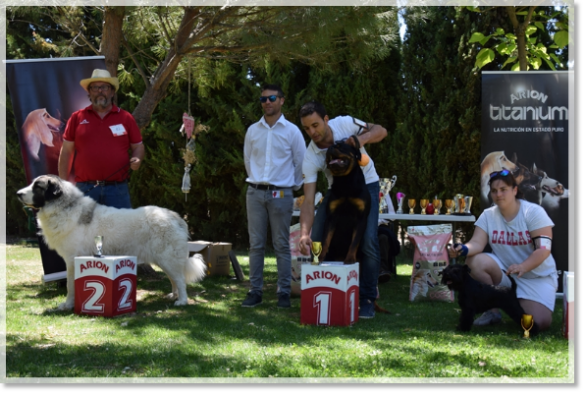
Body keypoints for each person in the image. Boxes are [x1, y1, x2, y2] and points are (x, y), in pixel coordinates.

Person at [297, 101, 388, 319]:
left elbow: (381, 130)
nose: (312, 132)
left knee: (368, 241)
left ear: (326, 120)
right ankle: (320, 288)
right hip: (336, 188)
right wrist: (303, 234)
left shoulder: (345, 124)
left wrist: (359, 140)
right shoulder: (310, 156)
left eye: (315, 125)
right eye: (307, 128)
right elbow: (308, 202)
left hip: (367, 184)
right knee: (317, 239)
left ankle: (367, 298)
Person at [448, 169, 558, 330]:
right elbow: (477, 244)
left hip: (537, 276)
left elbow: (543, 250)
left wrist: (523, 267)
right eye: (494, 191)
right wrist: (462, 249)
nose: (498, 194)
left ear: (514, 190)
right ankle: (492, 311)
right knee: (474, 261)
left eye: (503, 189)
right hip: (506, 273)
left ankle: (518, 300)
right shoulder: (488, 215)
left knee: (537, 323)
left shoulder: (534, 212)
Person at [242, 84, 307, 308]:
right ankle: (255, 291)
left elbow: (301, 163)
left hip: (282, 194)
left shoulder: (292, 131)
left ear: (282, 100)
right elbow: (248, 161)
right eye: (263, 99)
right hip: (255, 193)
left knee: (281, 244)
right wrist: (260, 182)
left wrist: (290, 187)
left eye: (271, 98)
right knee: (256, 244)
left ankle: (284, 294)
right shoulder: (253, 130)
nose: (267, 102)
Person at [58, 69, 144, 209]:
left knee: (120, 230)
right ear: (89, 93)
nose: (100, 91)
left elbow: (138, 146)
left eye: (104, 87)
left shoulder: (126, 118)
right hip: (85, 189)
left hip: (117, 190)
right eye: (95, 88)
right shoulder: (77, 118)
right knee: (84, 230)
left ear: (112, 92)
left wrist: (138, 159)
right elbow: (66, 151)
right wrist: (62, 183)